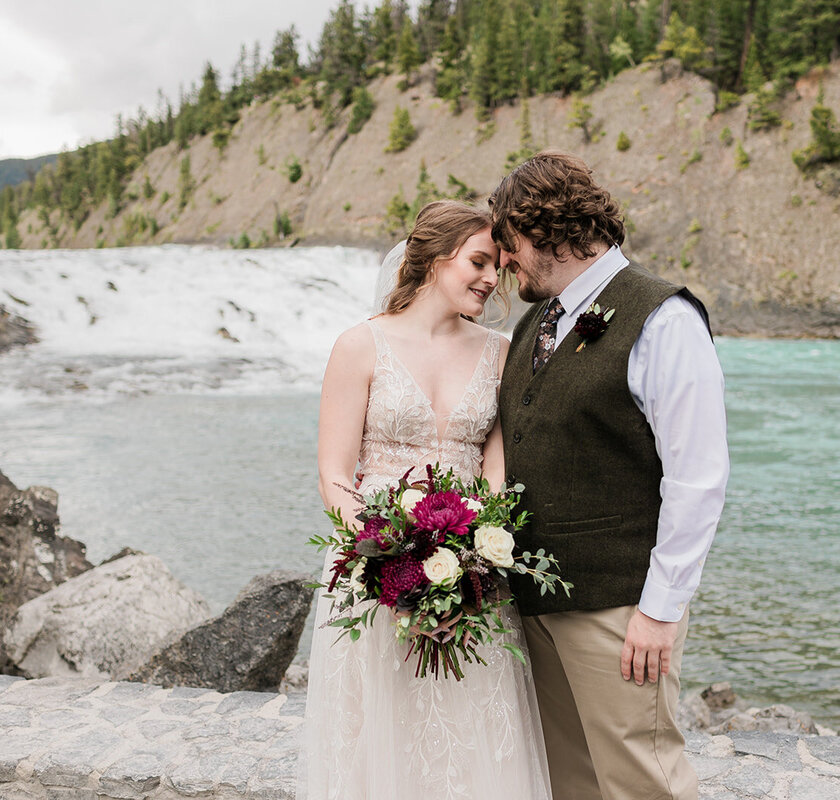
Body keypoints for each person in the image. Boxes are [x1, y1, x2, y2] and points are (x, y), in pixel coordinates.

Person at [489, 151, 729, 800]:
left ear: (542, 231)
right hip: (536, 606)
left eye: (507, 244)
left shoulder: (666, 319)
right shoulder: (534, 323)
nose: (504, 263)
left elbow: (698, 477)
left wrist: (660, 610)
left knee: (642, 782)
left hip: (618, 611)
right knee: (572, 784)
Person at [306, 200, 552, 800]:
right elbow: (334, 475)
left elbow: (495, 475)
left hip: (472, 573)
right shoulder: (360, 345)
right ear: (436, 260)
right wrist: (387, 562)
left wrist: (473, 561)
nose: (493, 278)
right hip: (372, 574)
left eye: (496, 266)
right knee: (379, 738)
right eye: (479, 261)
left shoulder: (500, 353)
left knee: (468, 741)